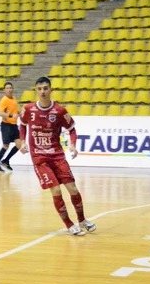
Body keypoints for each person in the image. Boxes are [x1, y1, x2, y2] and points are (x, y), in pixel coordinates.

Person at [17, 77, 96, 236]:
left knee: (72, 188)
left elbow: (72, 128)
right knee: (56, 190)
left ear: (51, 89)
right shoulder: (28, 109)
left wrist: (72, 144)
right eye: (39, 89)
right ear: (35, 90)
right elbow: (23, 125)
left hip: (57, 156)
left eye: (46, 88)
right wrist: (22, 142)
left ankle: (82, 220)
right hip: (40, 158)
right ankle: (69, 224)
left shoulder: (60, 111)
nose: (43, 92)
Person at [0, 81, 20, 172]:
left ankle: (6, 160)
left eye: (10, 88)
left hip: (14, 125)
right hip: (6, 125)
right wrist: (11, 116)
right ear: (4, 90)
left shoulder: (14, 99)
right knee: (6, 145)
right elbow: (0, 113)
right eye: (7, 88)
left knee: (19, 144)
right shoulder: (4, 100)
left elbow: (15, 111)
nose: (9, 89)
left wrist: (20, 113)